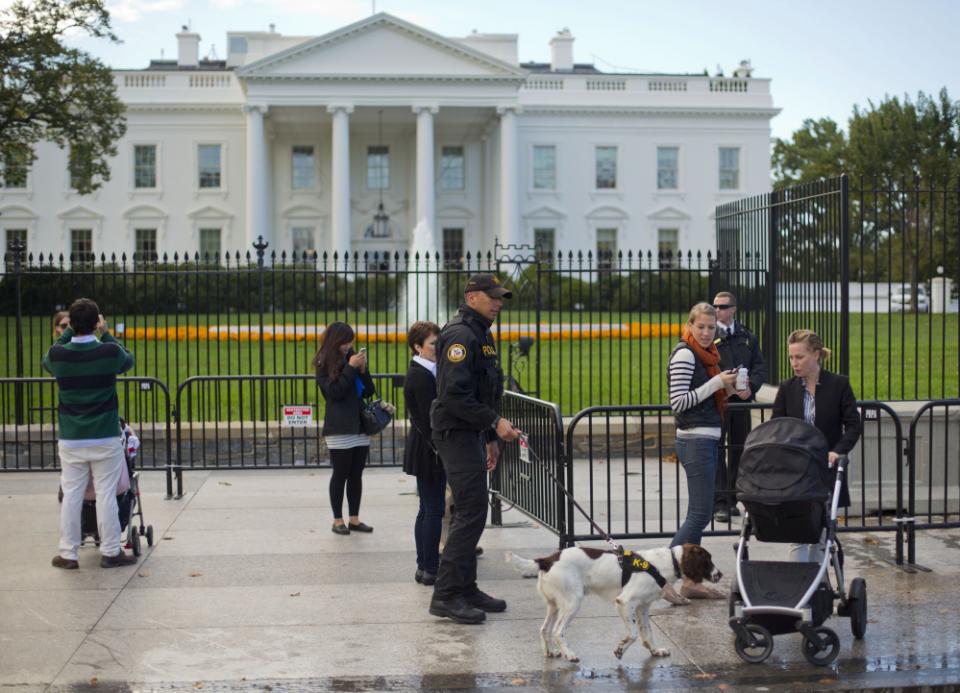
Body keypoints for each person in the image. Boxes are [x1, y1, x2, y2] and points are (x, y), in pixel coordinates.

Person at [428, 273, 520, 624]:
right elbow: (454, 395)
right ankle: (447, 594)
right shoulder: (460, 335)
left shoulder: (481, 332)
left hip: (470, 432)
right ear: (471, 298)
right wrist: (494, 423)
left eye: (500, 297)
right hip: (454, 431)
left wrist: (490, 437)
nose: (498, 303)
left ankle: (466, 587)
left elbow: (483, 392)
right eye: (491, 296)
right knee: (470, 509)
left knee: (474, 509)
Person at [43, 298, 137, 569]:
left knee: (72, 494)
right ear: (97, 322)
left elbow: (48, 357)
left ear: (70, 324)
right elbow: (127, 359)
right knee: (106, 493)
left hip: (72, 436)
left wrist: (69, 332)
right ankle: (110, 551)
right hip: (104, 435)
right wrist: (106, 332)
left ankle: (68, 553)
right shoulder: (108, 352)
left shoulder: (59, 355)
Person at [667, 302, 738, 599]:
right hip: (694, 439)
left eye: (711, 327)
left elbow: (705, 398)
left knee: (700, 512)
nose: (707, 332)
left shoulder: (707, 355)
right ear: (690, 325)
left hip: (705, 437)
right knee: (699, 514)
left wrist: (730, 389)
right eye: (701, 327)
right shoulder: (685, 353)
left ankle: (690, 581)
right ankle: (661, 576)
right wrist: (716, 383)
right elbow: (679, 402)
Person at [772, 329, 862, 562]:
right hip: (796, 472)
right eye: (791, 357)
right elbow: (776, 428)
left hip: (828, 469)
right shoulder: (786, 388)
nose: (794, 363)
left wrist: (837, 451)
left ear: (816, 355)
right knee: (798, 534)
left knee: (823, 534)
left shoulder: (838, 385)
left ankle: (818, 588)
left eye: (799, 357)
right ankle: (798, 587)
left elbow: (853, 425)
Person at [315, 321, 376, 536]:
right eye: (345, 341)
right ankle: (337, 520)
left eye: (351, 340)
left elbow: (368, 391)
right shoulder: (323, 362)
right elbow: (335, 392)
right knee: (340, 473)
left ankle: (354, 519)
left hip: (359, 424)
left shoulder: (351, 358)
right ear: (335, 340)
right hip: (340, 426)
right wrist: (350, 368)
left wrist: (363, 369)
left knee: (356, 474)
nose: (349, 344)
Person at [711, 291, 766, 523]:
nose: (717, 310)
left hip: (741, 402)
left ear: (734, 309)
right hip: (718, 401)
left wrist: (750, 387)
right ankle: (720, 502)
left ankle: (733, 499)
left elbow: (759, 366)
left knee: (738, 449)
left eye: (722, 306)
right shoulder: (709, 335)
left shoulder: (747, 336)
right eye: (715, 306)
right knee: (715, 449)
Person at [402, 320, 444, 586]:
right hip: (429, 449)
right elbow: (430, 419)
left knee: (427, 508)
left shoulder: (427, 370)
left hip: (425, 447)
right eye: (432, 344)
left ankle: (424, 566)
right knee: (432, 510)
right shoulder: (421, 374)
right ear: (417, 346)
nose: (437, 347)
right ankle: (430, 567)